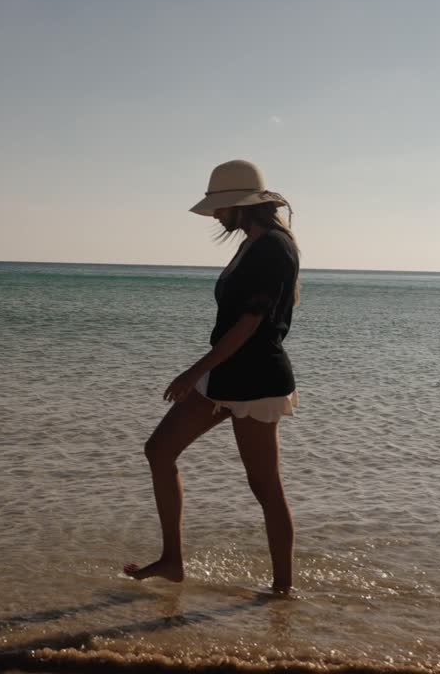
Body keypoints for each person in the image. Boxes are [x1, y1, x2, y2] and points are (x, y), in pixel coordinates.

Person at [124, 159, 300, 595]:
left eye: (222, 207)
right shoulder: (252, 243)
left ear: (242, 205)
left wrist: (194, 370)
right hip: (227, 372)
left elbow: (251, 321)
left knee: (264, 485)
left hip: (257, 378)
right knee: (159, 450)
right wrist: (207, 370)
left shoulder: (274, 248)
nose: (217, 215)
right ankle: (172, 561)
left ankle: (282, 590)